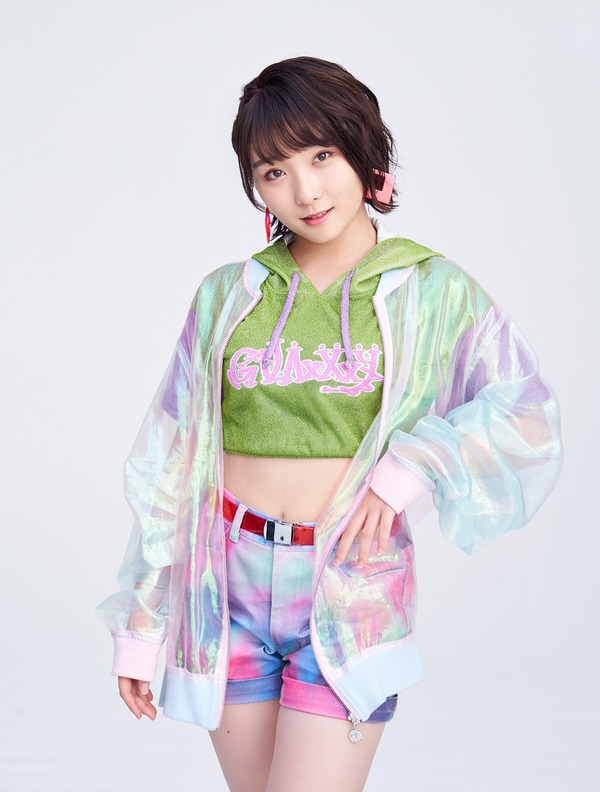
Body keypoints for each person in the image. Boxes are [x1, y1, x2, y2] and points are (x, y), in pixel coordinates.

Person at [96, 56, 563, 791]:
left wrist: (409, 470)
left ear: (362, 151)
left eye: (322, 156)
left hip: (350, 587)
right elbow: (169, 460)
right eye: (274, 170)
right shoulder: (227, 296)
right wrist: (142, 624)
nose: (305, 191)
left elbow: (527, 413)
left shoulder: (431, 289)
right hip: (225, 587)